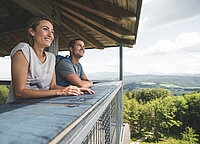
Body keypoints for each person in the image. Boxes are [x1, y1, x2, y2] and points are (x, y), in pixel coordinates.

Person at [6, 16, 94, 103]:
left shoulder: (51, 58)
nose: (50, 35)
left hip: (41, 107)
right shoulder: (23, 50)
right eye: (45, 29)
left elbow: (53, 86)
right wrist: (60, 92)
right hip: (16, 110)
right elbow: (19, 92)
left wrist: (75, 89)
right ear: (32, 32)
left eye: (52, 32)